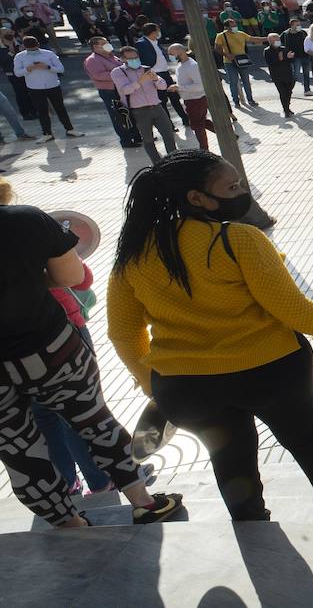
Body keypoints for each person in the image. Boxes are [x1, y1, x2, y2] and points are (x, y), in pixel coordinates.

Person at [108, 150, 313, 523]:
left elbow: (123, 332)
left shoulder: (135, 253)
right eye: (232, 187)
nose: (242, 191)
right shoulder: (238, 239)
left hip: (187, 386)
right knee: (306, 438)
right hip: (270, 371)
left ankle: (250, 522)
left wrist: (150, 382)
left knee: (228, 455)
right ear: (196, 198)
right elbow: (291, 309)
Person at [0, 183, 185, 528]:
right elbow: (71, 275)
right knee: (94, 421)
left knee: (17, 449)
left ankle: (68, 523)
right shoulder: (26, 220)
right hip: (50, 349)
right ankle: (144, 503)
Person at [112, 45, 179, 162]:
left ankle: (174, 161)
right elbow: (125, 90)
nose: (134, 60)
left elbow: (163, 86)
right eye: (130, 58)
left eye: (135, 57)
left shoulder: (146, 69)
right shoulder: (118, 72)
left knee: (168, 135)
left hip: (157, 107)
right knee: (148, 140)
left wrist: (156, 79)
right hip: (139, 111)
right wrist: (139, 81)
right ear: (123, 59)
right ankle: (157, 163)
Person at [12, 36, 82, 140]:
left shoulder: (49, 54)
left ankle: (70, 129)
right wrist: (28, 69)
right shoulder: (19, 57)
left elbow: (61, 69)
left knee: (60, 108)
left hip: (52, 85)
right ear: (24, 47)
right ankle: (47, 133)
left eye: (35, 48)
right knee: (42, 111)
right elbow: (17, 73)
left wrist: (48, 67)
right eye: (30, 49)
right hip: (34, 87)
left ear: (38, 44)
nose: (33, 51)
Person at [84, 35, 139, 147]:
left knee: (130, 113)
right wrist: (119, 74)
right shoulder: (92, 60)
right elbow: (98, 75)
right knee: (118, 116)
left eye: (107, 42)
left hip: (122, 89)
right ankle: (126, 140)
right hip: (109, 91)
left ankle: (136, 136)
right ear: (96, 46)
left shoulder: (112, 57)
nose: (108, 45)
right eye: (104, 43)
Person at [136, 24, 190, 128]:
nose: (159, 33)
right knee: (162, 100)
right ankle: (169, 125)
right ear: (153, 32)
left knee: (174, 97)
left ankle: (185, 119)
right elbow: (145, 60)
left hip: (165, 73)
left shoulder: (156, 42)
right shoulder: (141, 44)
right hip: (156, 74)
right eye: (157, 31)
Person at [167, 44, 214, 150]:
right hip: (190, 100)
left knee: (197, 126)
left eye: (171, 54)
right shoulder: (181, 66)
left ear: (180, 52)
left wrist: (179, 87)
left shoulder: (192, 66)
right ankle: (228, 134)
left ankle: (204, 149)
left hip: (196, 100)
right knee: (201, 122)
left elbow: (199, 86)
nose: (170, 56)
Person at [214, 19, 265, 109]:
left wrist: (267, 38)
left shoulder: (241, 34)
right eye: (232, 26)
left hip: (242, 61)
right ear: (226, 27)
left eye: (235, 25)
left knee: (246, 81)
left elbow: (253, 39)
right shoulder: (221, 36)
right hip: (229, 62)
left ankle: (250, 100)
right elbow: (217, 48)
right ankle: (236, 102)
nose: (235, 27)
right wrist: (226, 54)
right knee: (233, 82)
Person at [263, 33, 298, 117]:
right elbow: (270, 63)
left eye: (278, 39)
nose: (278, 41)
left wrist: (290, 57)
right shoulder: (267, 51)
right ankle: (286, 110)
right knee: (282, 92)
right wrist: (279, 59)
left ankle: (287, 107)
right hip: (277, 75)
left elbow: (290, 61)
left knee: (289, 92)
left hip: (287, 74)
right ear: (270, 41)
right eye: (276, 40)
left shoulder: (284, 49)